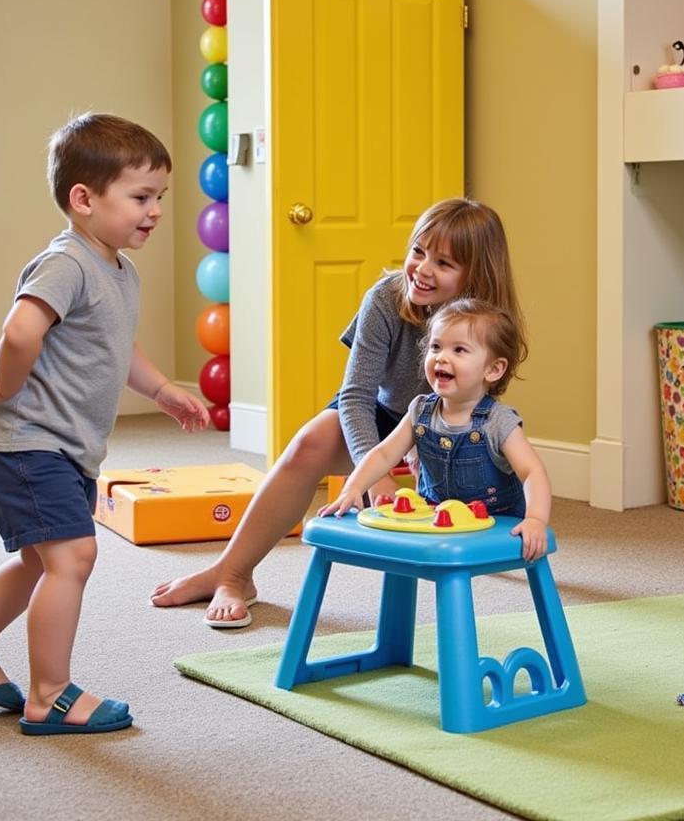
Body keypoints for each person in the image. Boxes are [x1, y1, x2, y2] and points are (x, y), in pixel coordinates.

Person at [0, 113, 210, 735]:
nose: (155, 210)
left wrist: (162, 388)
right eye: (141, 196)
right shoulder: (67, 262)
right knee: (73, 556)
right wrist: (2, 387)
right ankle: (49, 694)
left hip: (64, 450)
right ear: (83, 199)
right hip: (25, 445)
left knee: (40, 559)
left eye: (159, 196)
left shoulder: (118, 270)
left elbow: (116, 346)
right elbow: (20, 330)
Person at [151, 198, 524, 626]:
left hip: (456, 421)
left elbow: (488, 397)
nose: (421, 269)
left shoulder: (491, 323)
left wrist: (430, 445)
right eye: (418, 251)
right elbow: (355, 395)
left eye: (443, 263)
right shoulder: (386, 299)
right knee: (307, 444)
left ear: (475, 276)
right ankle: (232, 573)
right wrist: (373, 464)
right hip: (381, 411)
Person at [319, 298, 551, 560]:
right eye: (436, 346)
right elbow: (384, 454)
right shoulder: (420, 410)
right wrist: (353, 487)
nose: (442, 357)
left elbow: (532, 471)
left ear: (493, 369)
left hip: (495, 522)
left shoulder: (497, 421)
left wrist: (535, 519)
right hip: (436, 516)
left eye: (459, 350)